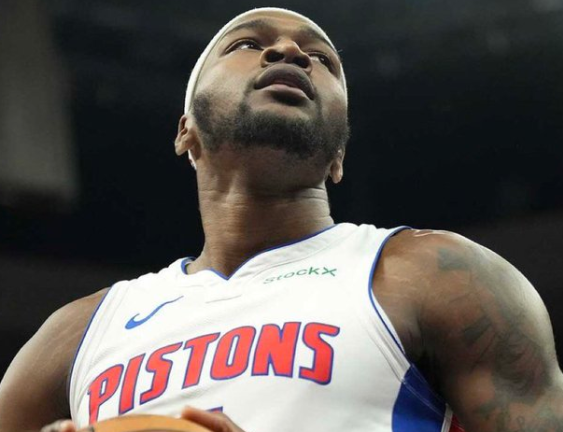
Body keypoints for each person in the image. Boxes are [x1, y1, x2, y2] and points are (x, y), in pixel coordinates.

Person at [1, 7, 562, 432]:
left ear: (338, 155)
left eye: (322, 59)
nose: (290, 51)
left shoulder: (437, 275)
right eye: (247, 44)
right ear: (185, 131)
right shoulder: (77, 334)